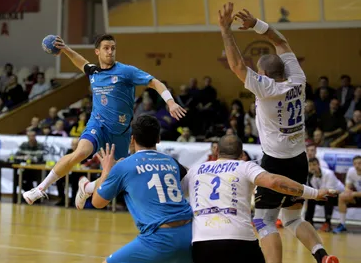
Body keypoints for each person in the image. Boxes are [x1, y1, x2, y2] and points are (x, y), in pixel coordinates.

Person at [219, 2, 338, 263]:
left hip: (275, 162)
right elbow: (281, 42)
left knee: (264, 221)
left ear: (264, 75)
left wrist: (226, 30)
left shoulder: (267, 89)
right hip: (299, 159)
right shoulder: (298, 77)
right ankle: (322, 255)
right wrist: (257, 25)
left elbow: (238, 66)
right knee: (293, 217)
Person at [23, 34, 186, 207]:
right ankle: (41, 189)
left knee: (113, 179)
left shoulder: (126, 71)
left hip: (121, 132)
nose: (110, 52)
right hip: (98, 125)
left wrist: (170, 101)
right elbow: (81, 62)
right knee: (80, 152)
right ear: (97, 52)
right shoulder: (94, 72)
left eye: (113, 48)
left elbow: (155, 82)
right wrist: (65, 49)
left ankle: (86, 187)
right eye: (106, 48)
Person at [182, 135, 337, 263]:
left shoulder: (196, 170)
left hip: (201, 242)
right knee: (281, 220)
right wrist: (314, 193)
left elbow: (175, 194)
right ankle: (320, 253)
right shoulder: (245, 166)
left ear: (216, 150)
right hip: (240, 240)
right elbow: (274, 182)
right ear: (241, 153)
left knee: (267, 222)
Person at [91, 115, 192, 263]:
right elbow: (191, 177)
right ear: (158, 139)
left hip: (160, 238)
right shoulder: (171, 161)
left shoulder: (125, 166)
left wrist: (106, 171)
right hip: (190, 234)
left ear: (131, 139)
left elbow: (97, 202)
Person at [305, 158, 344, 232]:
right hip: (322, 194)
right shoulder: (309, 176)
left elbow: (330, 191)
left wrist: (317, 194)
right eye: (310, 165)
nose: (312, 167)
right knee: (310, 198)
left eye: (314, 164)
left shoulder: (328, 173)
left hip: (338, 195)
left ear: (318, 165)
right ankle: (309, 221)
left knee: (329, 197)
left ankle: (327, 223)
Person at [333, 155, 361, 233]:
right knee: (342, 196)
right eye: (355, 163)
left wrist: (354, 194)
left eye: (359, 163)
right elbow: (347, 186)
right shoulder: (351, 171)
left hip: (356, 194)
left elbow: (353, 193)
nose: (357, 165)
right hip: (357, 196)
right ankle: (342, 224)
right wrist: (347, 191)